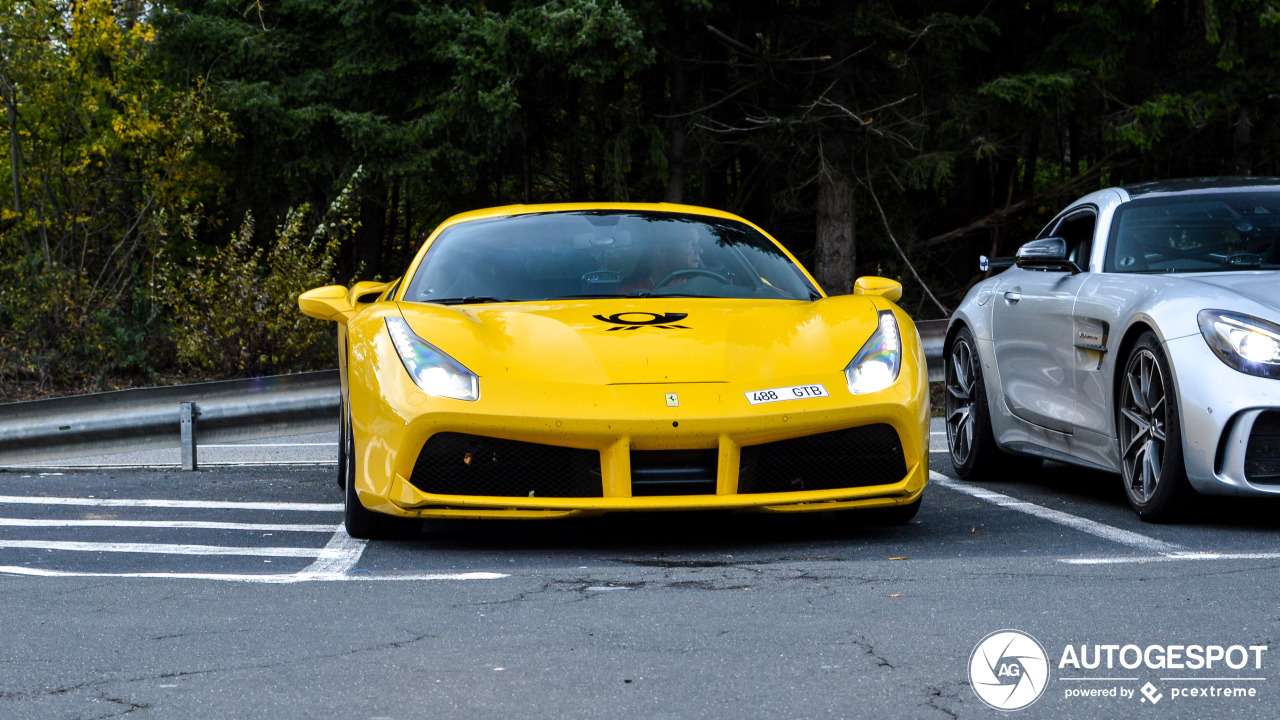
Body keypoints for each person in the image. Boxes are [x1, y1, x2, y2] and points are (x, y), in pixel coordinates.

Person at [622, 224, 704, 293]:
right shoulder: (631, 293)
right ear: (661, 251)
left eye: (697, 243)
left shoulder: (704, 289)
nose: (700, 250)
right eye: (690, 243)